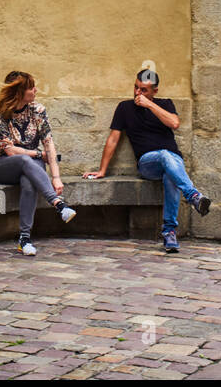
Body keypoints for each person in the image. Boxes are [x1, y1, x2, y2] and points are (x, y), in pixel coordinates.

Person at [83, 67, 210, 253]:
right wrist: (102, 170)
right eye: (136, 87)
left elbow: (174, 123)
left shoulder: (165, 104)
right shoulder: (125, 108)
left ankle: (169, 233)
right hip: (147, 163)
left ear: (154, 92)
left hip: (172, 161)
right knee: (165, 156)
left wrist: (149, 105)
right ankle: (193, 196)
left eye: (143, 90)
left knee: (171, 175)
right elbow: (113, 139)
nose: (137, 93)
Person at [0, 70, 76, 255]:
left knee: (29, 183)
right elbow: (10, 150)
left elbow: (49, 143)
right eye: (30, 88)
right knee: (22, 159)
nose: (35, 90)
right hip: (5, 165)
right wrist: (36, 154)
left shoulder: (38, 110)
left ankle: (25, 239)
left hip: (32, 165)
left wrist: (56, 177)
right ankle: (58, 204)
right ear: (19, 93)